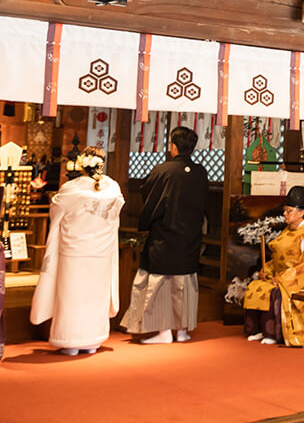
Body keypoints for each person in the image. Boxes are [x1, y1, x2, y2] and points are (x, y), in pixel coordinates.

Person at [30, 148, 124, 355]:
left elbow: (56, 212)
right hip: (102, 253)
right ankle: (92, 342)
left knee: (72, 297)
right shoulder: (112, 188)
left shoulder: (71, 188)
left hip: (75, 252)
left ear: (82, 164)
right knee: (94, 298)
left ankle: (70, 342)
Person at [121, 126, 208, 344]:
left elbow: (149, 196)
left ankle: (162, 331)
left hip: (165, 236)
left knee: (159, 282)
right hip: (190, 236)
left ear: (174, 147)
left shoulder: (163, 170)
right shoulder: (200, 172)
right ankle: (182, 330)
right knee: (185, 282)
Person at [245, 186, 304, 347]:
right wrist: (267, 271)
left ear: (301, 213)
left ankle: (273, 333)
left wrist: (282, 279)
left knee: (275, 292)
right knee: (255, 286)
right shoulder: (288, 231)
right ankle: (259, 329)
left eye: (289, 211)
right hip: (282, 276)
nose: (285, 214)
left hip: (301, 280)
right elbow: (278, 259)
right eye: (285, 210)